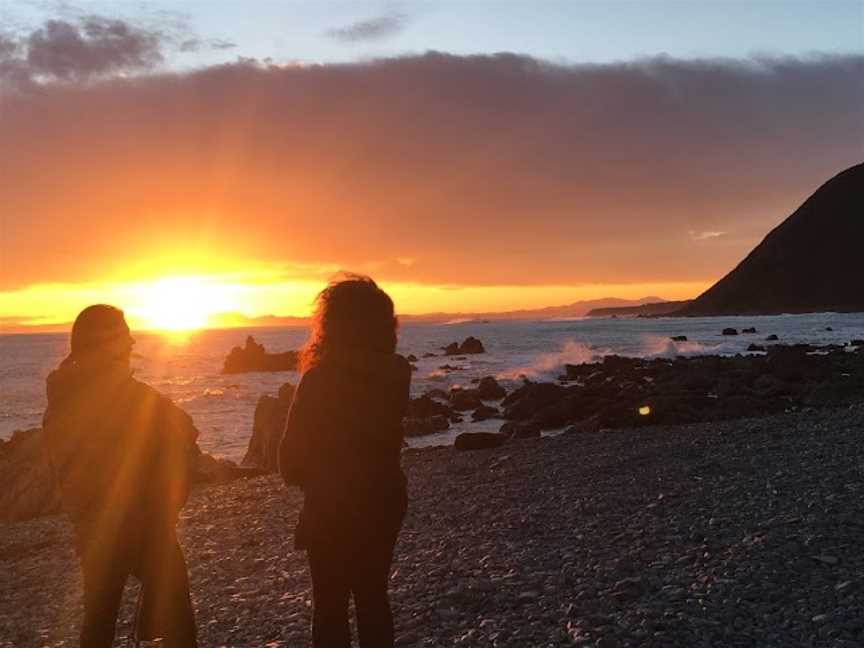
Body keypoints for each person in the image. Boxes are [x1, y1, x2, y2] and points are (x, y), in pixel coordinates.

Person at [42, 305, 199, 648]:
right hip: (143, 523)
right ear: (106, 342)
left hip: (91, 526)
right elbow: (186, 428)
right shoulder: (125, 394)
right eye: (123, 333)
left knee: (99, 620)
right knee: (177, 617)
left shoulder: (62, 396)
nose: (131, 340)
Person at [279, 275, 411, 648]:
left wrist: (312, 475)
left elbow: (289, 460)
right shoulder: (398, 373)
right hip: (385, 499)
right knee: (373, 598)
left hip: (330, 507)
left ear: (331, 324)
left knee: (330, 608)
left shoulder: (319, 379)